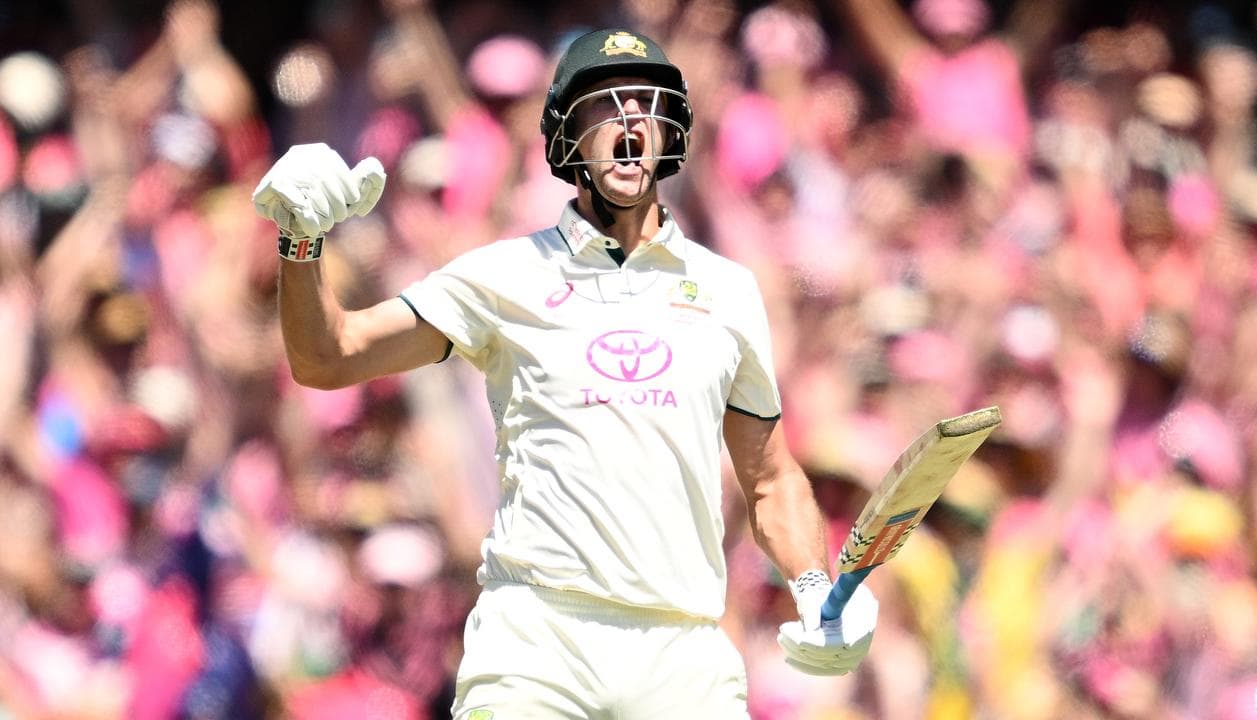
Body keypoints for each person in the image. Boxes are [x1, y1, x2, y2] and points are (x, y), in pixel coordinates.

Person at [252, 27, 877, 718]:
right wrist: (301, 241)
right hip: (536, 647)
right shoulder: (502, 275)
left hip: (681, 651)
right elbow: (327, 356)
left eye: (647, 105)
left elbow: (770, 477)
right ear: (563, 138)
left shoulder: (728, 290)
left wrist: (816, 586)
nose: (629, 123)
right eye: (604, 107)